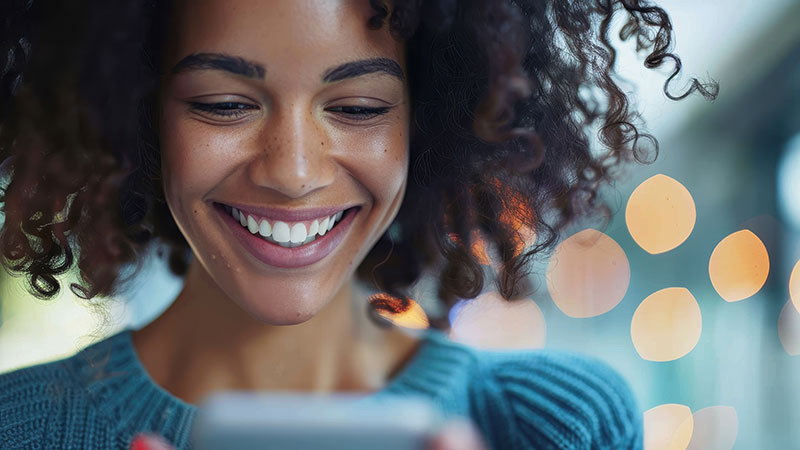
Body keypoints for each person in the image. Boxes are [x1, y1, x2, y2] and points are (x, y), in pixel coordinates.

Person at [0, 0, 716, 449]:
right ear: (136, 113)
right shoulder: (18, 429)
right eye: (223, 104)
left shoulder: (559, 426)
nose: (293, 170)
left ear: (428, 122)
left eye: (360, 108)